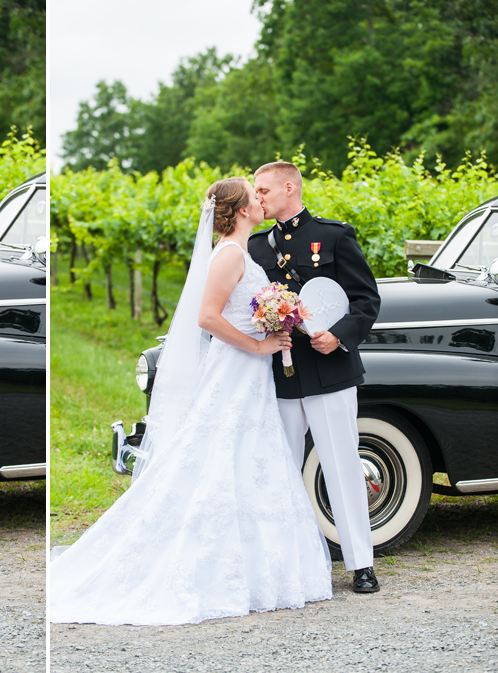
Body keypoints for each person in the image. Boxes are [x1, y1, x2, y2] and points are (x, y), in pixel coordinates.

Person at [50, 177, 332, 626]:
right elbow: (207, 317)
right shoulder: (228, 254)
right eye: (254, 197)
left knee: (249, 457)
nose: (261, 202)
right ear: (241, 210)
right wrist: (259, 345)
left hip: (251, 374)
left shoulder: (242, 251)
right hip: (235, 368)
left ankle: (262, 570)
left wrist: (276, 324)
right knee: (216, 454)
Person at [247, 161, 382, 593]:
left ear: (290, 187)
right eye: (256, 191)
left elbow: (365, 300)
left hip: (329, 372)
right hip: (282, 375)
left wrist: (338, 336)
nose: (259, 198)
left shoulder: (335, 236)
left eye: (264, 190)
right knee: (283, 468)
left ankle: (361, 563)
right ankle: (292, 563)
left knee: (342, 465)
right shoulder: (256, 247)